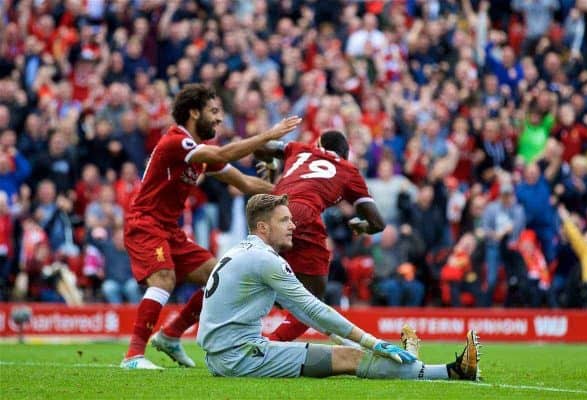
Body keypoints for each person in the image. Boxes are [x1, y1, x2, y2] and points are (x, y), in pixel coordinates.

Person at [198, 194, 481, 380]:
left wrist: (351, 340)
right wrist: (370, 341)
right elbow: (311, 308)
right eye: (284, 220)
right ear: (262, 227)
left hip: (224, 356)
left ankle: (418, 367)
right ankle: (451, 372)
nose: (293, 226)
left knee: (348, 352)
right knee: (350, 357)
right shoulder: (264, 260)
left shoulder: (240, 251)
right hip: (239, 358)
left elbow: (308, 314)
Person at [120, 84, 301, 369]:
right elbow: (219, 156)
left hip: (169, 228)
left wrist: (287, 194)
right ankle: (133, 356)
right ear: (194, 112)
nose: (219, 119)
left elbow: (244, 183)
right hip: (146, 223)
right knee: (164, 279)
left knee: (219, 277)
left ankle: (170, 335)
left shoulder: (199, 153)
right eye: (214, 112)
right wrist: (268, 135)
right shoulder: (177, 141)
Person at [255, 130, 386, 342]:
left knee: (248, 275)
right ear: (345, 155)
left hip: (269, 211)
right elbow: (378, 223)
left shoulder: (299, 148)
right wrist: (362, 228)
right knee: (312, 300)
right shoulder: (348, 169)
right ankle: (271, 345)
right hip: (304, 213)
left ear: (318, 144)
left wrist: (271, 165)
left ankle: (212, 322)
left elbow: (261, 146)